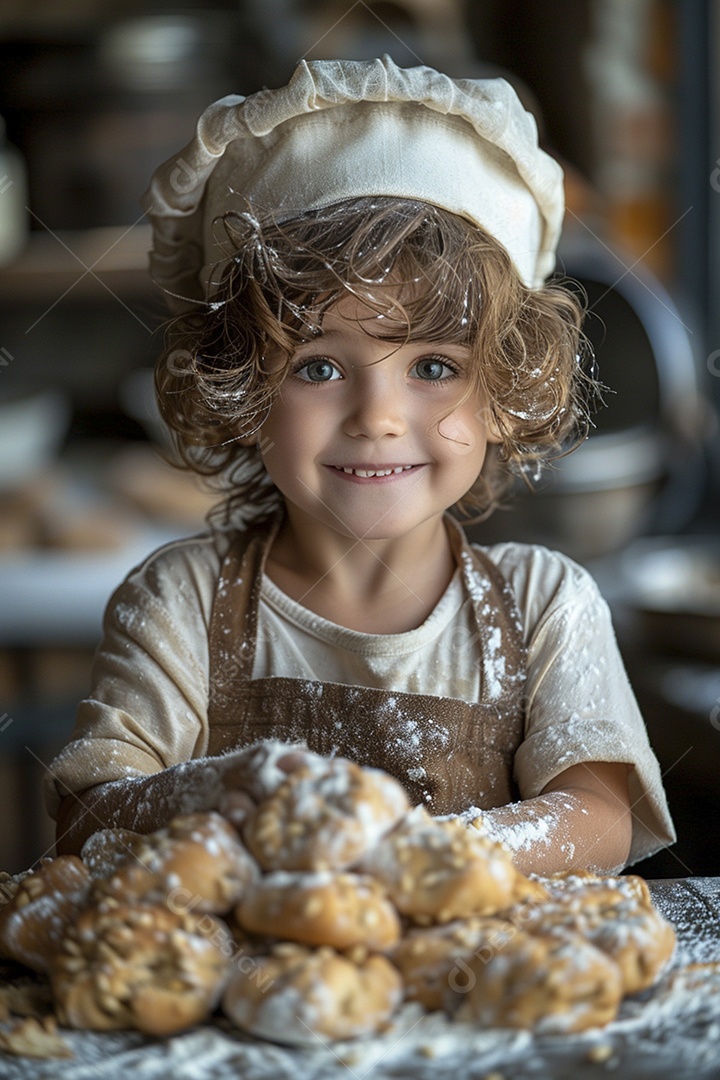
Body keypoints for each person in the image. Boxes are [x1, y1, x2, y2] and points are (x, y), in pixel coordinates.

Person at [46, 56, 674, 875]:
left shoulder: (545, 605)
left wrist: (435, 856)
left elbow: (598, 815)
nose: (377, 418)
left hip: (477, 996)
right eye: (316, 367)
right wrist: (207, 792)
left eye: (435, 366)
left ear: (502, 389)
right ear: (240, 387)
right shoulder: (181, 604)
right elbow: (85, 820)